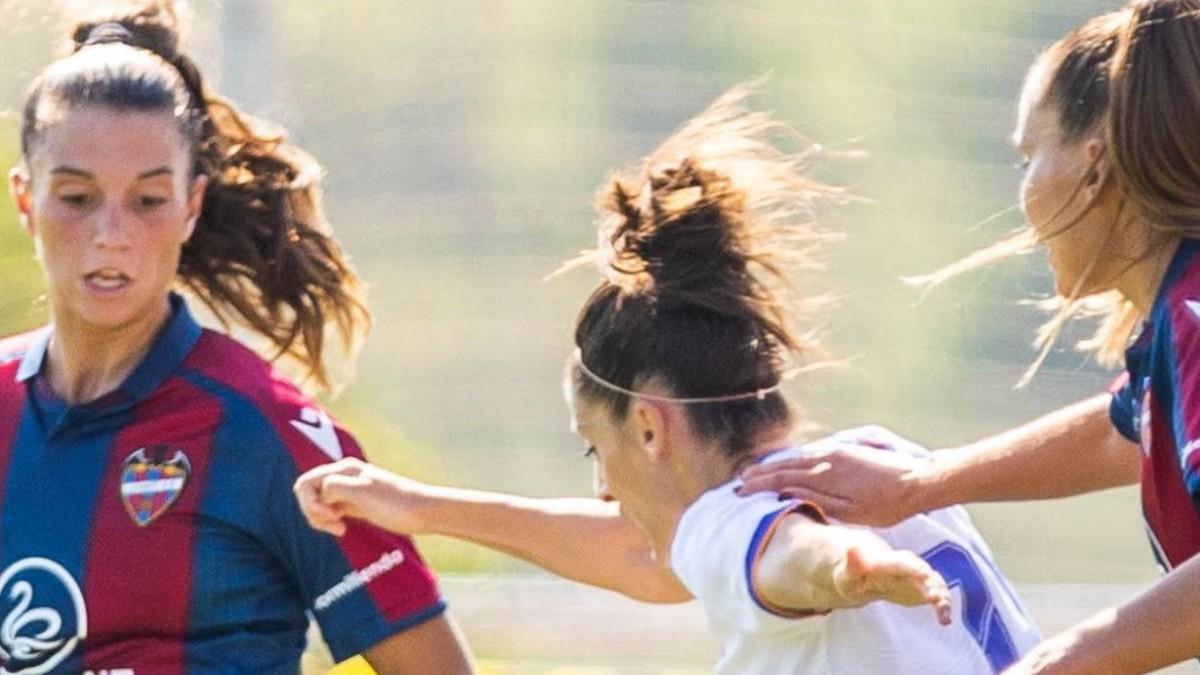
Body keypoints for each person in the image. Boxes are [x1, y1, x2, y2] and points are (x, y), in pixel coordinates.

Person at [295, 85, 1041, 674]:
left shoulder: (738, 520)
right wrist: (419, 505)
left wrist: (852, 570)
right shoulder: (883, 464)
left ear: (650, 426)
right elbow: (648, 555)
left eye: (595, 446)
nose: (604, 490)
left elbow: (790, 556)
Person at [0, 2, 475, 673]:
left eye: (148, 200)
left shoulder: (266, 429)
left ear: (191, 205)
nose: (111, 233)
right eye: (77, 198)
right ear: (26, 201)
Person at [737, 1, 1200, 672]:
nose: (1023, 193)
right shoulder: (1176, 320)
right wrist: (920, 484)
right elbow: (1121, 431)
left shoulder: (1193, 312)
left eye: (1027, 158)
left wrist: (1058, 662)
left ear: (1095, 166)